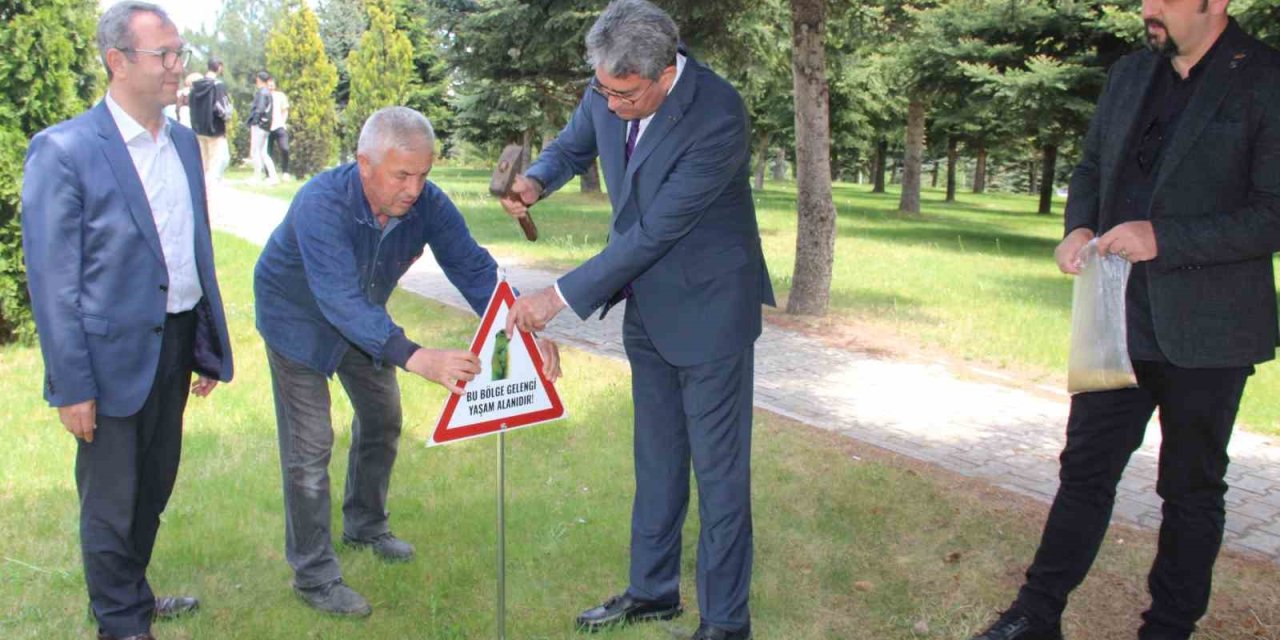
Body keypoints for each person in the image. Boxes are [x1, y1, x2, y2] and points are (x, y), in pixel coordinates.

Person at [970, 2, 1280, 639]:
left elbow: (1272, 214)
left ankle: (1167, 628)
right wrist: (1078, 224)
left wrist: (1162, 237)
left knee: (1191, 492)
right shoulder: (1130, 75)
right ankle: (1036, 614)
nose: (1147, 9)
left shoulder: (1266, 79)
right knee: (1084, 470)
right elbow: (1089, 169)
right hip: (1114, 317)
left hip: (1210, 332)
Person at [498, 1, 773, 638]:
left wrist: (558, 297)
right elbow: (571, 146)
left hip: (710, 312)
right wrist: (537, 180)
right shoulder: (608, 88)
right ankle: (653, 592)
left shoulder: (717, 114)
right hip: (648, 307)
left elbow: (654, 233)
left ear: (663, 74)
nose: (609, 102)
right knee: (656, 458)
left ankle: (727, 624)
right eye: (602, 88)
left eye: (623, 94)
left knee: (720, 476)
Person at [254, 106, 562, 617]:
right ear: (364, 164)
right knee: (310, 448)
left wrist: (521, 325)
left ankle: (366, 526)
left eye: (423, 174)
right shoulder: (320, 204)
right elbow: (337, 300)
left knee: (382, 419)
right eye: (402, 175)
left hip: (364, 318)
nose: (414, 189)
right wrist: (416, 356)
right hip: (298, 322)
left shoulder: (427, 205)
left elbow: (470, 265)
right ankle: (314, 577)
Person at [20, 2, 235, 639]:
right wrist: (72, 386)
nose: (178, 68)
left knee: (154, 486)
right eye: (163, 56)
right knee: (112, 500)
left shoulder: (181, 145)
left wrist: (201, 344)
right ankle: (119, 621)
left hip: (170, 343)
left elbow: (188, 251)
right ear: (118, 62)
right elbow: (54, 283)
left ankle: (131, 594)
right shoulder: (64, 151)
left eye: (180, 54)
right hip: (106, 359)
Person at [188, 56, 231, 183]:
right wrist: (227, 118)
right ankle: (211, 191)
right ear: (219, 67)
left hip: (199, 129)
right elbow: (222, 108)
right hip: (215, 129)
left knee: (204, 164)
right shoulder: (217, 86)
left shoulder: (195, 86)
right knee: (217, 163)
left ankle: (203, 190)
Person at [246, 70, 277, 183]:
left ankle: (257, 176)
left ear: (259, 80)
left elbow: (259, 109)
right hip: (266, 126)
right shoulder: (268, 92)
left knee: (255, 151)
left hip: (259, 125)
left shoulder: (262, 93)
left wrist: (254, 121)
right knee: (263, 152)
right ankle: (273, 176)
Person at [266, 77, 290, 179]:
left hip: (279, 126)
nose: (270, 87)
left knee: (285, 148)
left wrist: (282, 122)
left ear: (275, 86)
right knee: (267, 152)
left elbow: (285, 110)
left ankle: (285, 172)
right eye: (268, 85)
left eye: (272, 85)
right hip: (267, 128)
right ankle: (269, 174)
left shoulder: (280, 96)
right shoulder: (264, 96)